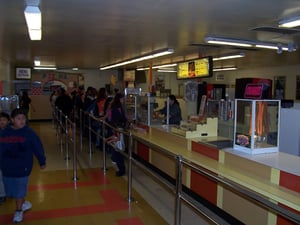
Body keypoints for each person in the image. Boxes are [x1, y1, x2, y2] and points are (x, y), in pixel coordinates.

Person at [0, 108, 46, 223]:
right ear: (12, 120)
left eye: (24, 119)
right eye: (18, 119)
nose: (22, 121)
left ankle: (18, 211)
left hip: (23, 167)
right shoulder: (5, 133)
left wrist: (42, 161)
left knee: (20, 190)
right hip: (7, 167)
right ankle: (23, 203)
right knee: (11, 191)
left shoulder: (29, 133)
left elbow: (37, 147)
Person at [106, 93, 127, 176]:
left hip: (115, 128)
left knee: (117, 154)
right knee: (118, 155)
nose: (123, 100)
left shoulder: (114, 107)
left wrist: (108, 140)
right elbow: (122, 118)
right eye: (122, 99)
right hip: (118, 128)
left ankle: (120, 169)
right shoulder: (118, 108)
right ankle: (121, 169)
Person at [0, 111, 10, 204]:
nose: (2, 122)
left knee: (8, 176)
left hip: (9, 159)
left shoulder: (11, 131)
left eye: (4, 120)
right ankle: (2, 194)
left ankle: (9, 192)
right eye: (0, 120)